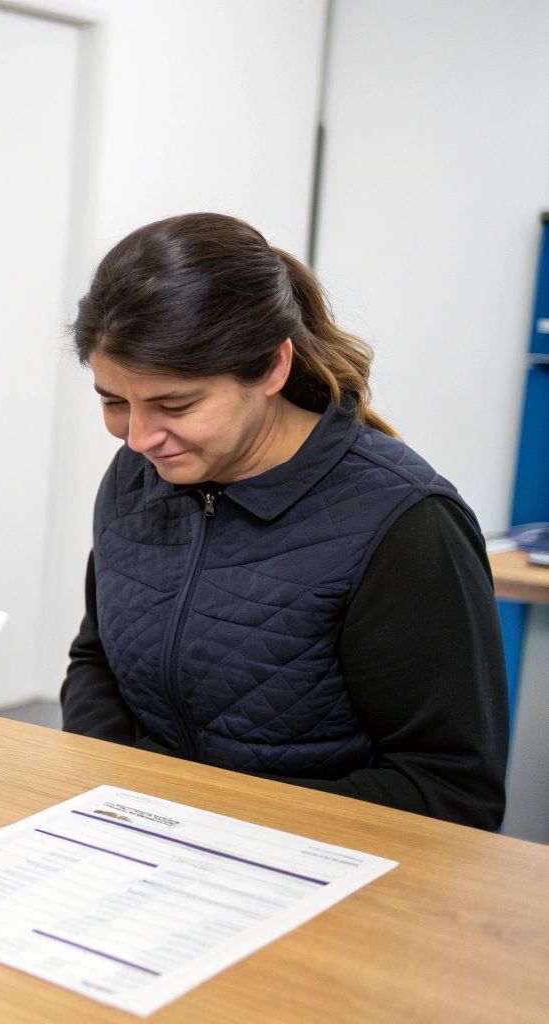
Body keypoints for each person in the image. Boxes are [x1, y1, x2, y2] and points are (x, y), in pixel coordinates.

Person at [60, 212, 509, 830]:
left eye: (176, 404)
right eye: (114, 402)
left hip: (320, 870)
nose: (138, 437)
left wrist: (208, 821)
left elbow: (449, 792)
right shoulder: (140, 476)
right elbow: (96, 660)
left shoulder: (405, 524)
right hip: (149, 843)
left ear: (272, 367)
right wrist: (113, 791)